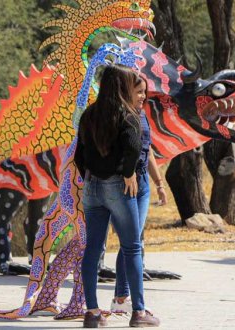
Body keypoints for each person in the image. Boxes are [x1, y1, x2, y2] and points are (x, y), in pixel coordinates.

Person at [75, 64, 160, 328]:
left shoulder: (89, 115)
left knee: (92, 249)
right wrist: (127, 173)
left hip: (91, 188)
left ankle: (92, 313)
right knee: (132, 247)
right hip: (118, 188)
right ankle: (139, 312)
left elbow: (78, 156)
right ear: (122, 86)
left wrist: (90, 176)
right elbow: (134, 147)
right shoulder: (128, 115)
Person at [110, 75, 168, 314]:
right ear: (126, 91)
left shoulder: (142, 115)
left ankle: (121, 299)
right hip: (125, 182)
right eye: (139, 91)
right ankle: (126, 301)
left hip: (142, 183)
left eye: (145, 92)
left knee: (133, 241)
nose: (143, 96)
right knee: (132, 241)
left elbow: (149, 150)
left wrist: (160, 183)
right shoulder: (118, 116)